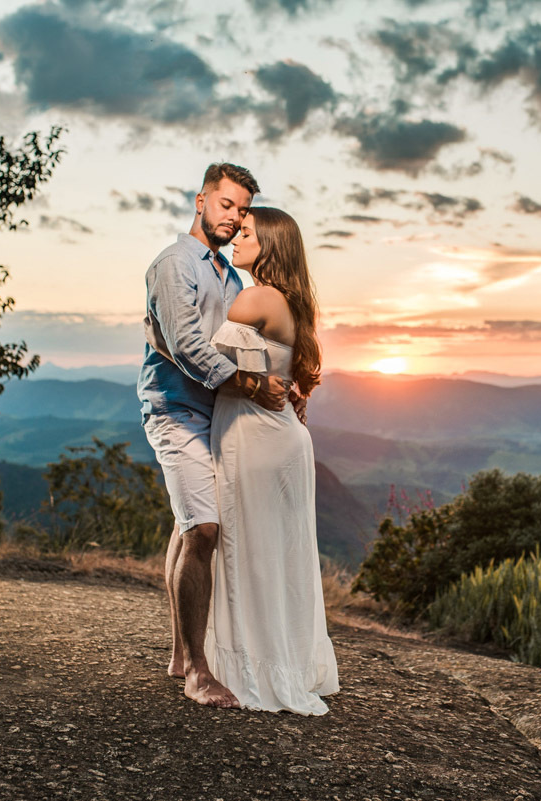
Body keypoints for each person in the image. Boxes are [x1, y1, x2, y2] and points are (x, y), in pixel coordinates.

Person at [138, 162, 294, 708]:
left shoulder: (229, 277)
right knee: (203, 529)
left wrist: (288, 379)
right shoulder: (175, 264)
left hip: (222, 417)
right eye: (226, 204)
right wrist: (252, 384)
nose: (234, 217)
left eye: (242, 210)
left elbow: (242, 343)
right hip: (177, 412)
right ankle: (198, 672)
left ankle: (180, 653)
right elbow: (186, 345)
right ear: (201, 200)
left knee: (188, 526)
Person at [205, 207, 340, 714]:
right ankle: (288, 663)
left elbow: (205, 363)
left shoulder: (256, 297)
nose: (236, 240)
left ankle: (254, 670)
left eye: (246, 234)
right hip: (282, 440)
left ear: (270, 246)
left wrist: (159, 328)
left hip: (255, 439)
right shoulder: (291, 303)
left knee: (249, 554)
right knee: (279, 558)